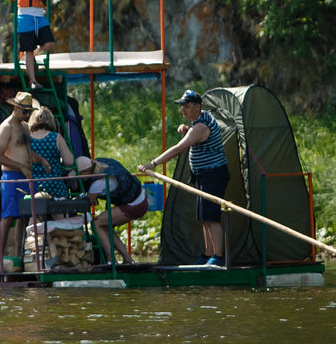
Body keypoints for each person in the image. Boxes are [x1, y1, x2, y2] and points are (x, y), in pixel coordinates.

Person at [140, 90, 228, 266]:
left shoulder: (201, 126)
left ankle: (218, 257)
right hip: (204, 175)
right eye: (182, 107)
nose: (183, 111)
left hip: (213, 175)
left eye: (187, 106)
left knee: (212, 217)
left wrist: (153, 163)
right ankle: (207, 253)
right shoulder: (200, 120)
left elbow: (179, 148)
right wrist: (188, 129)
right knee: (204, 217)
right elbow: (197, 136)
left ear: (198, 106)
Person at [0, 92, 38, 271]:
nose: (26, 115)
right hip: (11, 177)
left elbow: (25, 151)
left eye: (29, 112)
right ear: (16, 108)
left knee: (23, 218)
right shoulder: (6, 127)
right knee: (8, 217)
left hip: (25, 176)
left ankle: (20, 257)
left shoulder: (25, 127)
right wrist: (21, 167)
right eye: (24, 112)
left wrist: (40, 160)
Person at [78, 155, 146, 266]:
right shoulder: (101, 162)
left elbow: (89, 201)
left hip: (135, 204)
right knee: (105, 225)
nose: (78, 178)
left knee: (96, 224)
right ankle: (127, 258)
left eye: (79, 174)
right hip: (139, 196)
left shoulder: (97, 183)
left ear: (85, 172)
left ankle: (111, 260)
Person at [8, 0, 58, 88]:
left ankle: (31, 55)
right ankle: (33, 81)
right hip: (25, 17)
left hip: (39, 17)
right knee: (28, 49)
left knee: (50, 43)